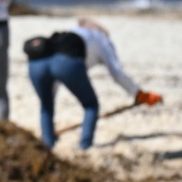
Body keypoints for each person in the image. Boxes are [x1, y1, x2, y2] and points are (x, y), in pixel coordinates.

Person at [25, 19, 164, 149]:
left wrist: (48, 95)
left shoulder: (67, 36)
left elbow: (52, 72)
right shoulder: (101, 38)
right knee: (91, 105)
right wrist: (139, 94)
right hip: (67, 63)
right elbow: (117, 72)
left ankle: (47, 144)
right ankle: (85, 147)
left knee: (46, 106)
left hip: (35, 65)